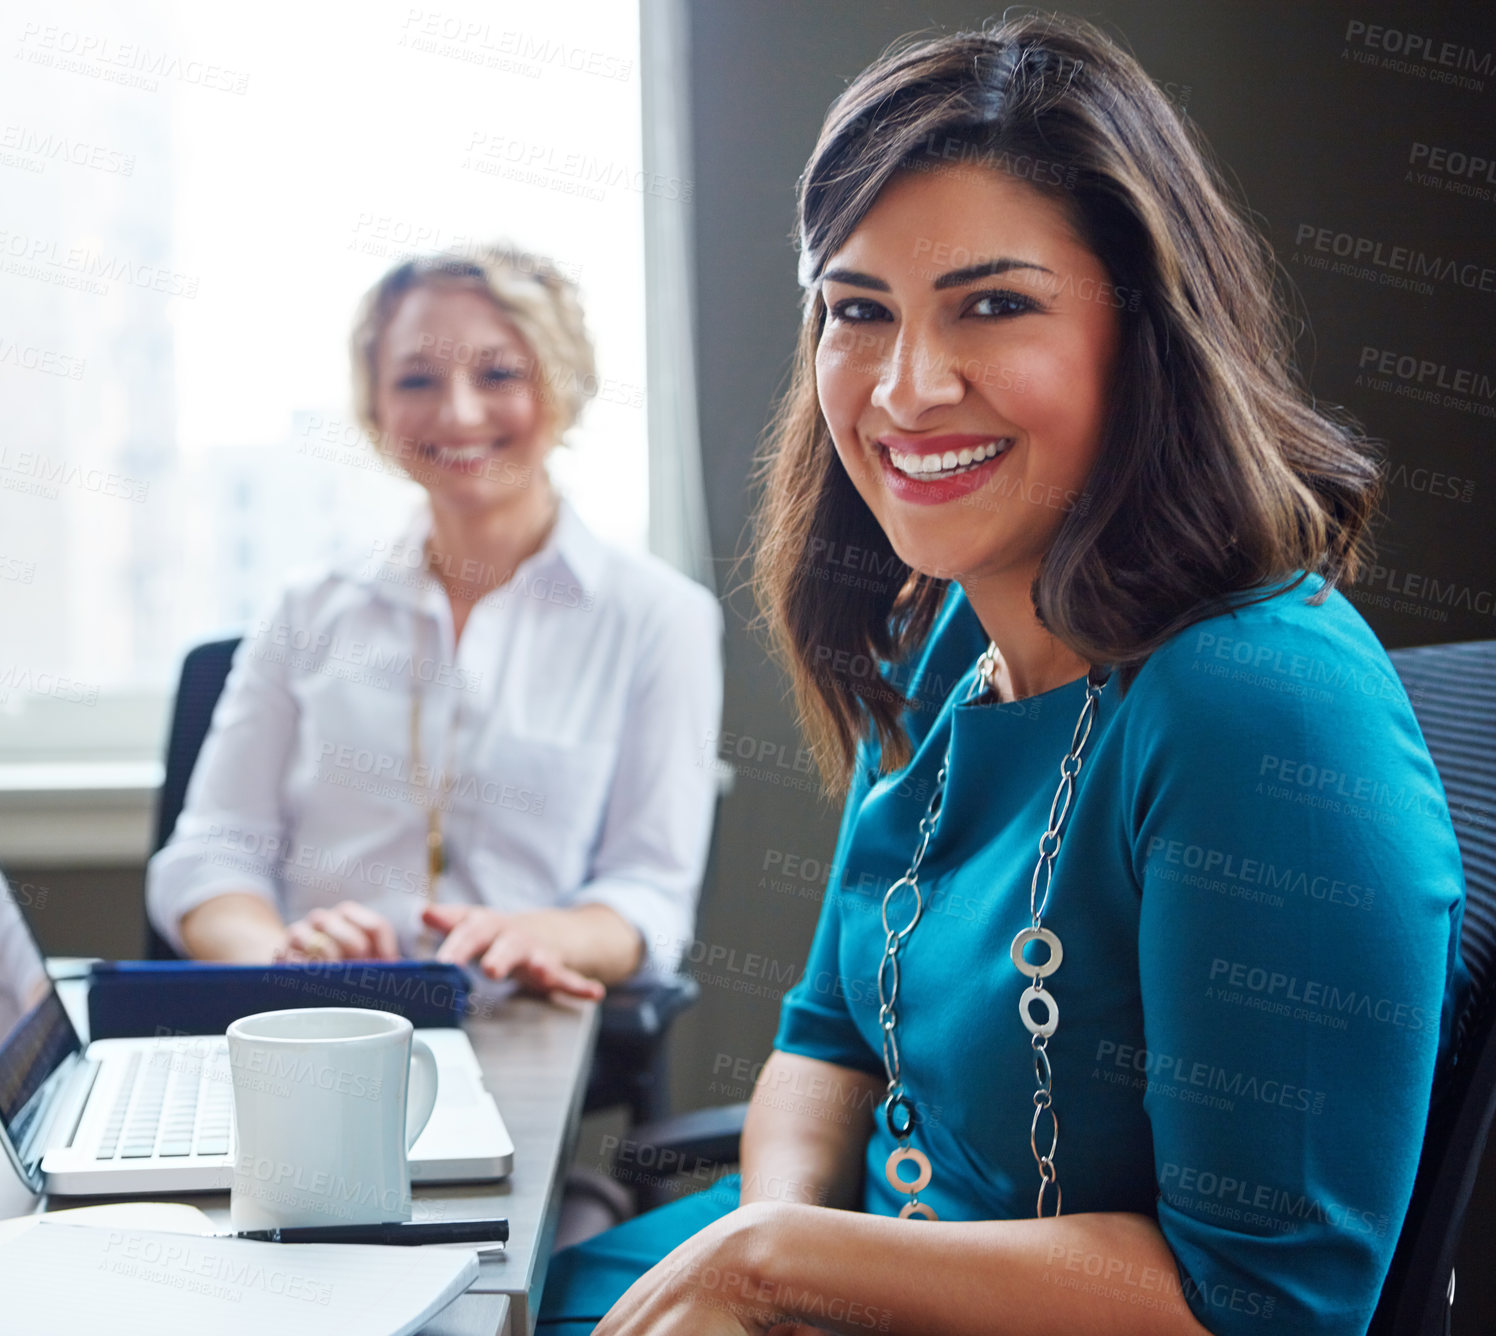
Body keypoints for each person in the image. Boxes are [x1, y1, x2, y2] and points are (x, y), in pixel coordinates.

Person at [537, 14, 1468, 1335]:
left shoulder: (1260, 705)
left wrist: (776, 1266)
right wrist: (763, 1268)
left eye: (994, 304)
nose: (907, 389)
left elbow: (1262, 1304)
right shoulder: (948, 631)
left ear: (1143, 330)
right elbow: (828, 1036)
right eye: (858, 311)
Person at [147, 245, 723, 995]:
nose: (457, 412)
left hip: (522, 1028)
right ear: (376, 404)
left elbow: (650, 895)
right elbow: (209, 855)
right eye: (417, 379)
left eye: (499, 374)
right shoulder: (306, 609)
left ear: (563, 385)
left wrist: (542, 934)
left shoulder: (660, 617)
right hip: (316, 1029)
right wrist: (284, 955)